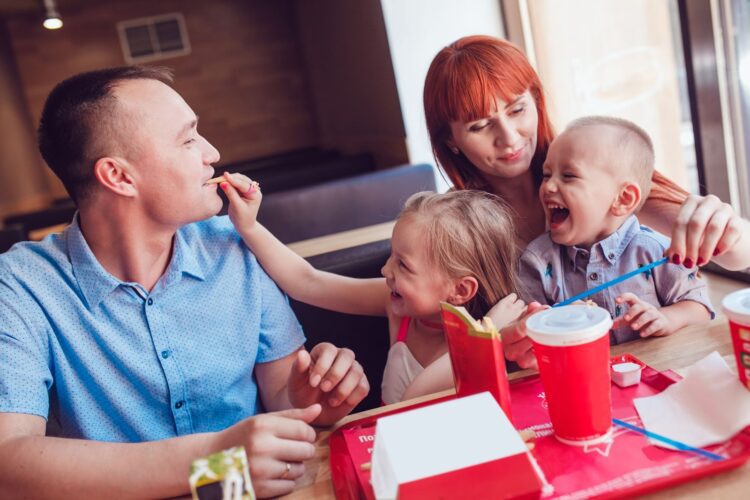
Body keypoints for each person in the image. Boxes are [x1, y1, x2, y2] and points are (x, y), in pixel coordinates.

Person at [0, 66, 369, 499]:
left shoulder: (234, 246)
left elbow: (287, 404)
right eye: (188, 139)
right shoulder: (22, 284)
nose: (212, 152)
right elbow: (9, 464)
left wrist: (316, 403)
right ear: (118, 176)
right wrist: (215, 461)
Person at [423, 35, 750, 365]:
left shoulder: (598, 170)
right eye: (480, 126)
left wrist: (730, 230)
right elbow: (405, 291)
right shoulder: (453, 223)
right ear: (450, 141)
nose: (509, 138)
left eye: (518, 109)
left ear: (536, 101)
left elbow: (737, 255)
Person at [219, 175, 529, 405]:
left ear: (460, 290)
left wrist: (490, 339)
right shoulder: (397, 306)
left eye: (403, 265)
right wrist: (248, 226)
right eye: (390, 257)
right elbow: (307, 281)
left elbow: (414, 399)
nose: (385, 271)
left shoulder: (501, 336)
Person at [519, 116, 714, 341]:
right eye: (546, 175)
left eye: (569, 176)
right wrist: (557, 321)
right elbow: (530, 330)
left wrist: (667, 318)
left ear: (623, 199)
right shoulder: (537, 261)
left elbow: (701, 308)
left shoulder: (658, 251)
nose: (549, 186)